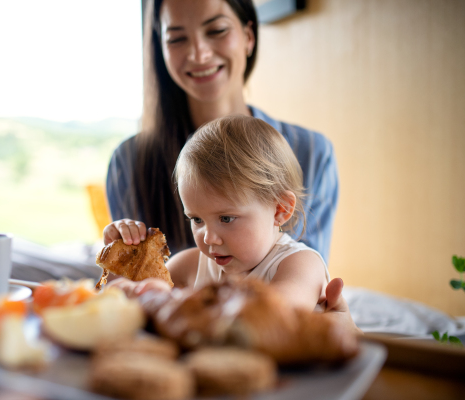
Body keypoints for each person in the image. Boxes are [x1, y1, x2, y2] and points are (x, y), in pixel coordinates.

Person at [106, 0, 338, 264]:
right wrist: (120, 258)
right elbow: (134, 290)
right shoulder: (129, 162)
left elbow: (310, 286)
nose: (198, 54)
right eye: (177, 38)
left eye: (216, 31)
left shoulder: (312, 152)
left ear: (248, 37)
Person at [108, 115, 329, 311]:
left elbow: (274, 318)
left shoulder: (300, 264)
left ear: (280, 209)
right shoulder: (190, 265)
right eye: (197, 219)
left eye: (226, 218)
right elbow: (130, 310)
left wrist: (184, 302)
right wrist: (122, 265)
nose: (208, 237)